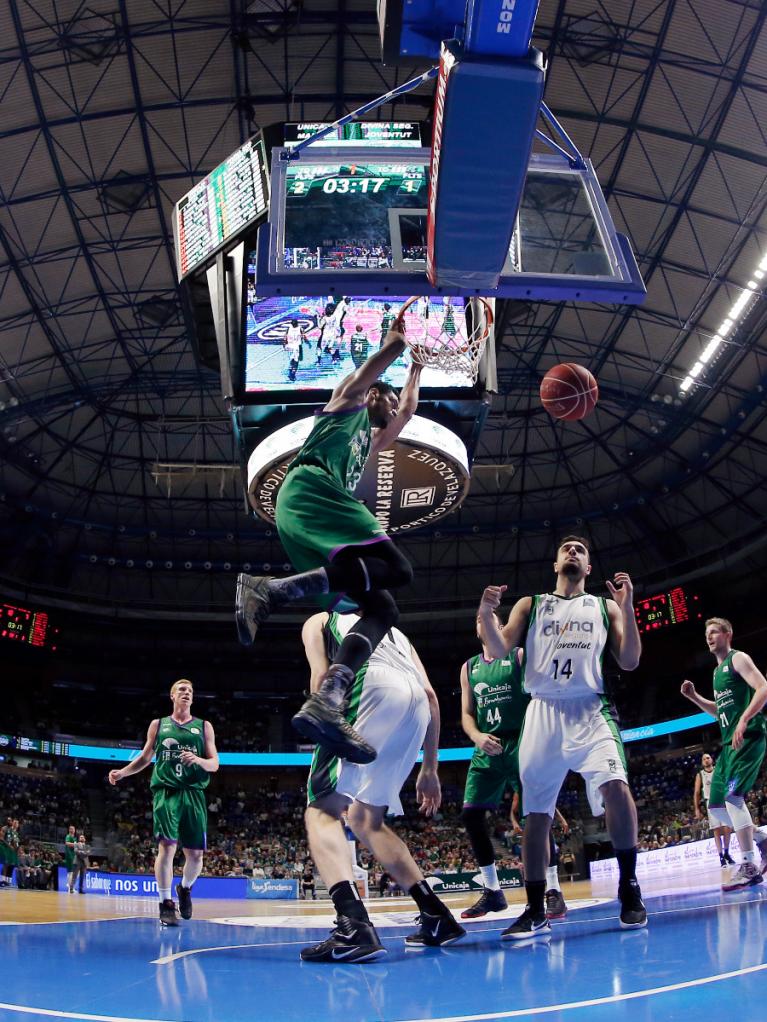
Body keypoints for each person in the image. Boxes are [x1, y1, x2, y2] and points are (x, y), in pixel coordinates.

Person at [236, 303, 422, 764]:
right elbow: (380, 363)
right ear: (374, 393)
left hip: (309, 504)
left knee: (383, 606)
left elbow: (409, 412)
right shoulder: (348, 401)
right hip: (310, 486)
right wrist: (397, 343)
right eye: (390, 397)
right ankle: (271, 590)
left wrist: (416, 369)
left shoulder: (372, 439)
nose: (394, 405)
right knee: (397, 568)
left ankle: (329, 700)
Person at [478, 535, 647, 938]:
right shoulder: (530, 604)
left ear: (589, 568)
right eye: (566, 549)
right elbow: (501, 650)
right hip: (542, 711)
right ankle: (535, 908)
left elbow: (630, 660)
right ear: (555, 564)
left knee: (617, 789)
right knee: (535, 815)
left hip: (590, 708)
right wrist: (487, 614)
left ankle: (629, 886)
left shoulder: (605, 606)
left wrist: (628, 608)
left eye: (581, 550)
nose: (572, 552)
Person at [298, 609, 465, 963]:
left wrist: (326, 729)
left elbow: (322, 681)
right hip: (416, 708)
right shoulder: (397, 633)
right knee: (364, 820)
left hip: (370, 688)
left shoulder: (320, 620)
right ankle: (436, 917)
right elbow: (432, 696)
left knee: (322, 809)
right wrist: (430, 767)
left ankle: (353, 926)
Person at [459, 610, 567, 921]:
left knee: (536, 815)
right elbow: (467, 714)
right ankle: (493, 891)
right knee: (471, 814)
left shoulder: (518, 656)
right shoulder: (468, 668)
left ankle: (553, 889)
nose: (484, 620)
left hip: (523, 739)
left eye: (490, 615)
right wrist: (477, 736)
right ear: (476, 627)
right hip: (487, 746)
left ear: (501, 625)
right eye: (479, 617)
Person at [108, 679, 219, 926]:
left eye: (190, 690)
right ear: (172, 695)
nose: (187, 693)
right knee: (167, 847)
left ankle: (185, 889)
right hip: (166, 792)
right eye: (182, 690)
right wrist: (123, 772)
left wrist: (199, 760)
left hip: (193, 793)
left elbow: (215, 763)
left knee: (196, 855)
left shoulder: (204, 726)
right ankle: (165, 903)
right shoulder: (158, 725)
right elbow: (146, 757)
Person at [681, 617, 767, 889]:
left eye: (714, 632)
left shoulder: (737, 659)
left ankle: (749, 864)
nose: (709, 637)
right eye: (707, 634)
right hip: (728, 745)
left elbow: (763, 687)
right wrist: (695, 697)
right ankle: (762, 841)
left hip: (748, 737)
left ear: (728, 633)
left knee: (733, 797)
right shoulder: (717, 673)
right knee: (716, 804)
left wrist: (744, 719)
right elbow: (720, 713)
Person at [694, 753, 734, 867]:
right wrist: (697, 808)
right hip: (710, 802)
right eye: (704, 759)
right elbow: (696, 793)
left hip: (722, 800)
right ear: (702, 763)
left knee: (727, 828)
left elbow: (727, 782)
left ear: (712, 759)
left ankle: (726, 852)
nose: (706, 760)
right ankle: (721, 856)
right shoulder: (700, 775)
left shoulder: (719, 769)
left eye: (708, 758)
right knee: (716, 830)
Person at [64, 824, 77, 893]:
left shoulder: (75, 838)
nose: (72, 830)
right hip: (69, 856)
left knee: (74, 872)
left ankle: (71, 886)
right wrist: (75, 844)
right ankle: (70, 887)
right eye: (71, 829)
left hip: (74, 856)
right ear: (69, 830)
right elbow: (67, 843)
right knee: (71, 872)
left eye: (73, 829)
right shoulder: (68, 836)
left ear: (75, 830)